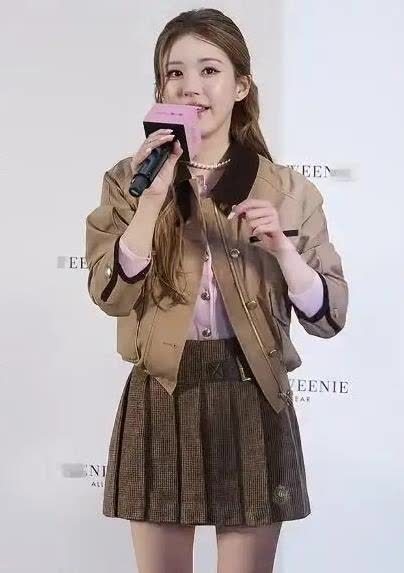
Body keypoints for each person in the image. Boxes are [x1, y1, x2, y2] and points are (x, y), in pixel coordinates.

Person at [85, 8, 348, 573]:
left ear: (241, 86)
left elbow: (328, 315)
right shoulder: (128, 180)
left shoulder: (287, 190)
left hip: (253, 390)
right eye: (175, 73)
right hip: (161, 391)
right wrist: (150, 200)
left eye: (209, 70)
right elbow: (110, 295)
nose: (192, 86)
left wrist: (283, 252)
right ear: (161, 89)